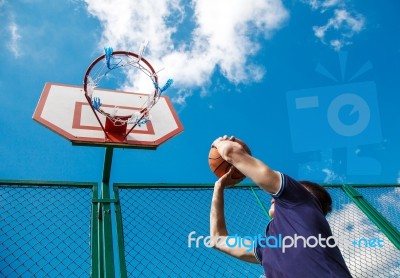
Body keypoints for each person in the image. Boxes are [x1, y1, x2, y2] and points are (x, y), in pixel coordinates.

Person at [209, 135, 352, 277]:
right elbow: (218, 240)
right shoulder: (268, 247)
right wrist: (219, 187)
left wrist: (219, 143)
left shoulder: (300, 200)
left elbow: (230, 151)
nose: (273, 198)